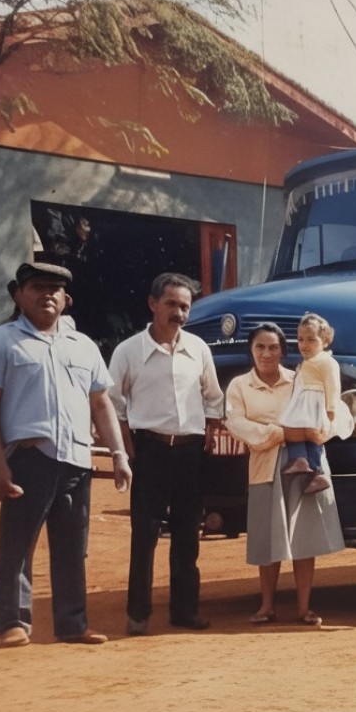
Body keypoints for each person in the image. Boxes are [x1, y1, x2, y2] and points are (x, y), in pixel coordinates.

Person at [0, 261, 132, 646]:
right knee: (18, 545)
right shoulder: (2, 341)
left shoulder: (84, 345)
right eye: (37, 287)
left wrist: (119, 455)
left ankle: (73, 624)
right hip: (28, 457)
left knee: (73, 547)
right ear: (18, 295)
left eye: (54, 289)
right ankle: (13, 623)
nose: (46, 295)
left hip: (76, 458)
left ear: (67, 299)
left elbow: (101, 404)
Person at [108, 272, 223, 635]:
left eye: (185, 306)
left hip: (190, 453)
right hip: (150, 450)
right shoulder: (128, 351)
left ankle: (185, 611)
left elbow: (214, 397)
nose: (179, 313)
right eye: (171, 304)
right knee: (145, 533)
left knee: (188, 535)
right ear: (152, 304)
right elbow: (113, 405)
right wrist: (126, 449)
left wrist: (210, 430)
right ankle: (138, 614)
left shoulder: (198, 349)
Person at [223, 323, 343, 627]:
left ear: (283, 351)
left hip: (305, 465)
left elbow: (329, 409)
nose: (266, 353)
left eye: (273, 347)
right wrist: (281, 433)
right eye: (260, 347)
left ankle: (303, 608)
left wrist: (320, 433)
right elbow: (237, 423)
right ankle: (266, 606)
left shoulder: (301, 377)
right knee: (267, 538)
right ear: (251, 350)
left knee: (306, 536)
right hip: (264, 463)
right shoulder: (239, 386)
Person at [279, 313, 353, 495]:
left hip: (315, 405)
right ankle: (303, 462)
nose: (304, 345)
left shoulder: (327, 362)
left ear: (325, 341)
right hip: (302, 403)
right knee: (295, 431)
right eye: (300, 339)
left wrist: (331, 409)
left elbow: (333, 385)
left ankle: (313, 467)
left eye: (311, 340)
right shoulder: (307, 362)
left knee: (309, 436)